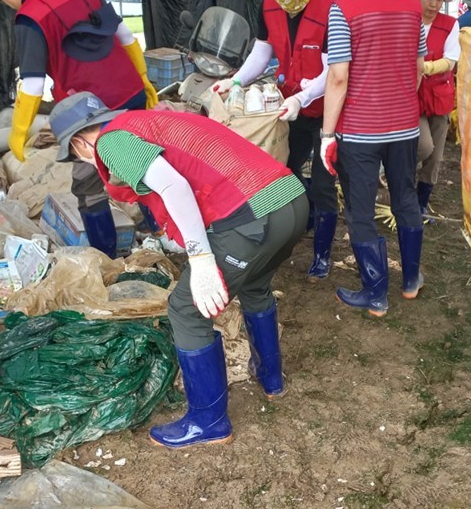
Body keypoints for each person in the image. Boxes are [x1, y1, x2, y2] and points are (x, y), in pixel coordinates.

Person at [48, 92, 307, 448]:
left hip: (251, 218)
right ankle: (270, 379)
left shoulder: (111, 141)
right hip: (289, 199)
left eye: (75, 155)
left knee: (186, 308)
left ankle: (208, 421)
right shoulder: (150, 122)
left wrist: (201, 259)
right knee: (254, 283)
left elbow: (173, 185)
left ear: (79, 142)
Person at [0, 0, 158, 258]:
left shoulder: (30, 17)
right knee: (145, 165)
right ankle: (163, 230)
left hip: (88, 114)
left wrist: (19, 132)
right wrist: (143, 79)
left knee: (88, 186)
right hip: (130, 93)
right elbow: (127, 38)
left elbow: (33, 85)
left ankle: (106, 257)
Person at [212, 0, 338, 283]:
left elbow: (334, 72)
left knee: (326, 181)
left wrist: (305, 96)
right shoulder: (269, 5)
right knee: (283, 168)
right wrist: (235, 81)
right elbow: (262, 51)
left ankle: (323, 253)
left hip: (326, 111)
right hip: (288, 106)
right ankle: (298, 221)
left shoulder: (329, 8)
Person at [320, 0, 427, 317]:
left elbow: (338, 77)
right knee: (405, 199)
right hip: (405, 127)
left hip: (361, 132)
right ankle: (412, 280)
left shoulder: (342, 10)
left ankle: (375, 292)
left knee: (362, 210)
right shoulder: (413, 7)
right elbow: (418, 68)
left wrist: (327, 134)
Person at [413, 0, 460, 220]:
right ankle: (401, 180)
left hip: (439, 96)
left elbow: (451, 61)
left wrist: (427, 67)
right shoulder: (408, 21)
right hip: (413, 96)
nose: (433, 4)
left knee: (436, 156)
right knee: (424, 147)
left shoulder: (450, 25)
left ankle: (421, 203)